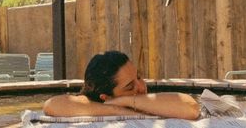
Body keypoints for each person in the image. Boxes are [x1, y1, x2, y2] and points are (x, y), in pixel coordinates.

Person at [43, 51, 200, 120]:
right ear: (106, 97)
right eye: (130, 87)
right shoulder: (95, 107)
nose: (141, 87)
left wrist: (126, 100)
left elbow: (190, 107)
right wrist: (117, 109)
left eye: (139, 77)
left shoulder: (155, 102)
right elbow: (52, 105)